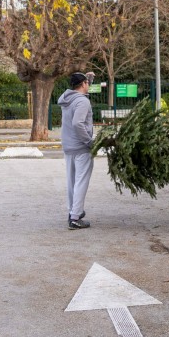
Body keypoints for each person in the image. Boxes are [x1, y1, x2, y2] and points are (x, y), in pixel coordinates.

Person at [58, 71, 96, 230]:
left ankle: (72, 211)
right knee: (81, 182)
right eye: (87, 83)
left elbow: (81, 90)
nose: (89, 85)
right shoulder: (82, 102)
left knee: (72, 181)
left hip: (68, 145)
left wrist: (89, 79)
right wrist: (89, 141)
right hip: (81, 147)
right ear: (83, 84)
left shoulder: (66, 98)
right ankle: (75, 217)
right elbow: (77, 123)